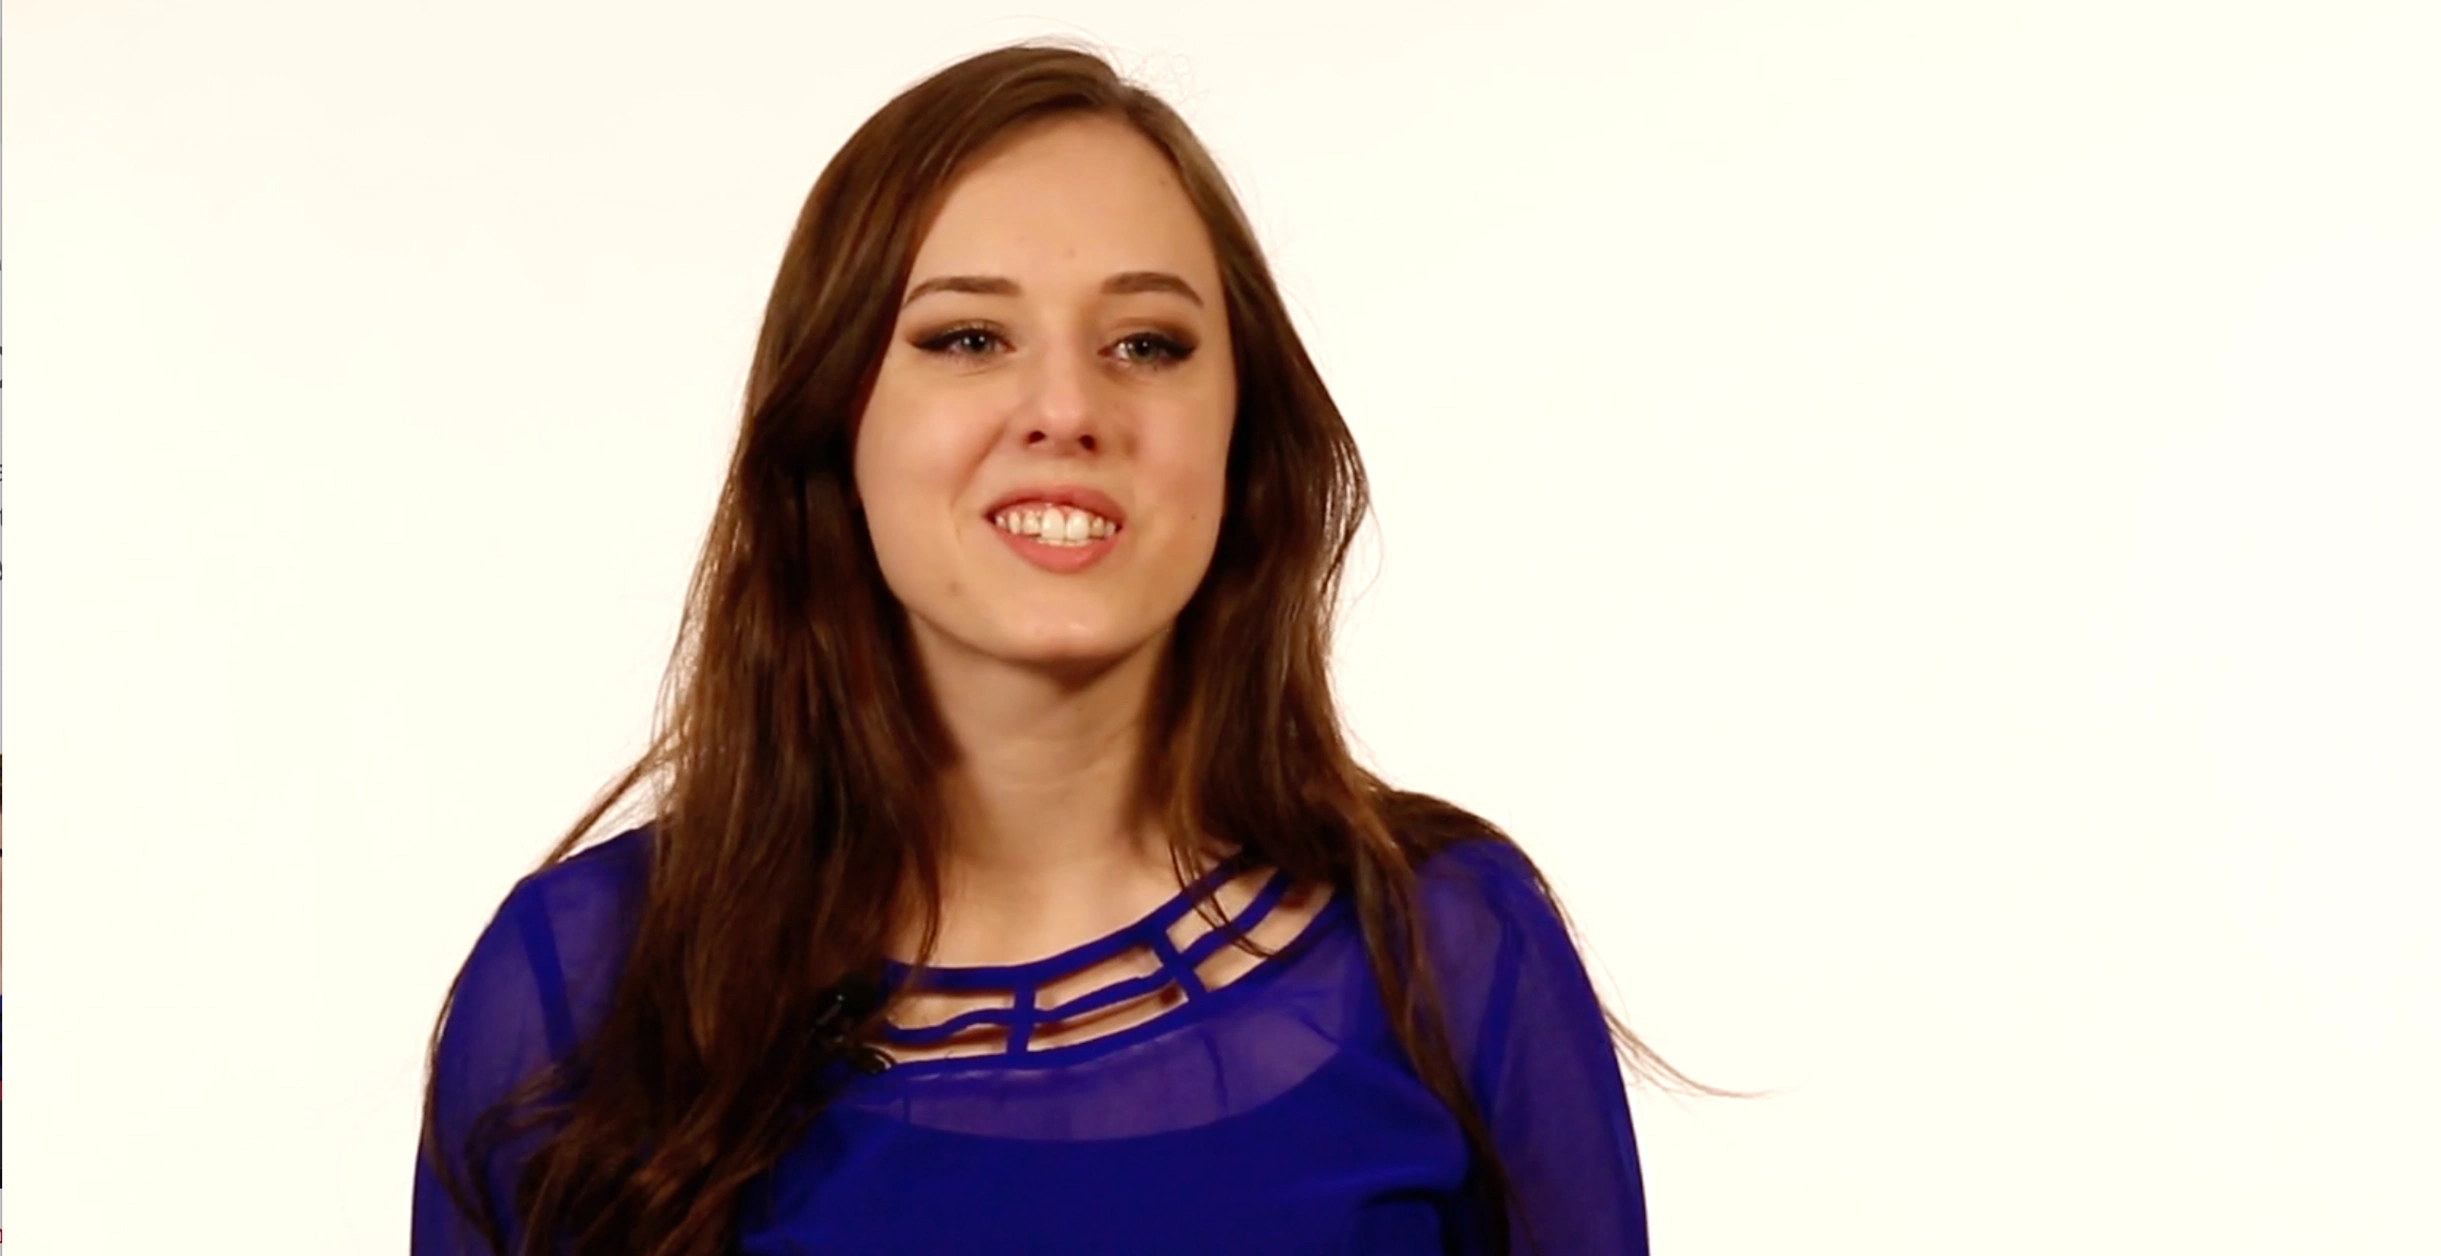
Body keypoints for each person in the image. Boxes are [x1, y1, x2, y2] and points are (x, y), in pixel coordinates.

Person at [414, 41, 1678, 1256]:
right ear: (834, 422)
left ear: (1243, 436)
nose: (1069, 409)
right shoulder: (579, 989)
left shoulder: (1451, 955)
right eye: (969, 337)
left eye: (1148, 344)